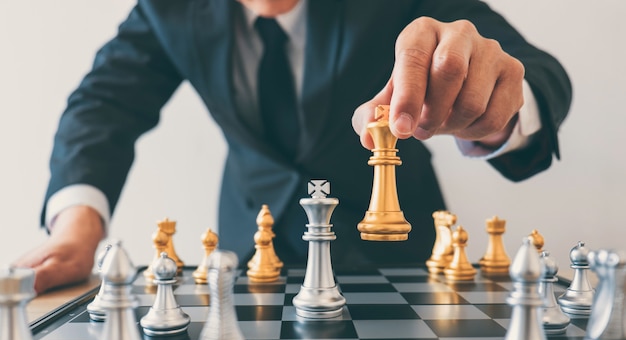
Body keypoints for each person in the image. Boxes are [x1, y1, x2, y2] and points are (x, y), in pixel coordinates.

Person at [15, 0, 571, 294]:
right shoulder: (170, 7)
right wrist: (77, 225)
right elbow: (104, 104)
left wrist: (496, 116)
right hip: (247, 260)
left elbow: (530, 68)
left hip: (397, 262)